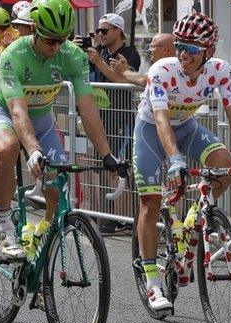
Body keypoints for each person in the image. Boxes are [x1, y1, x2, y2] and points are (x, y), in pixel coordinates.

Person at [133, 13, 231, 313]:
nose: (183, 54)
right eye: (179, 46)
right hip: (152, 129)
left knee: (223, 163)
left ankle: (192, 218)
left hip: (187, 126)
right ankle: (153, 284)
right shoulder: (162, 70)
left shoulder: (220, 70)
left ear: (209, 51)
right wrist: (175, 159)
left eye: (191, 49)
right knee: (150, 202)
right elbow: (162, 119)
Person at [0, 0, 119, 260]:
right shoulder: (13, 54)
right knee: (8, 148)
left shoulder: (72, 55)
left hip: (43, 121)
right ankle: (4, 227)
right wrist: (33, 150)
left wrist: (106, 154)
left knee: (57, 186)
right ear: (34, 31)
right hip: (5, 114)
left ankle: (42, 236)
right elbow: (17, 111)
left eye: (62, 40)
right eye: (49, 41)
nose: (56, 47)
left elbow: (88, 109)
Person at [82, 13, 141, 233]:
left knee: (122, 166)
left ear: (118, 31)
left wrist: (98, 61)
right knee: (103, 166)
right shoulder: (102, 52)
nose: (99, 35)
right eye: (97, 31)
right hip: (102, 116)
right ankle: (106, 216)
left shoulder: (130, 54)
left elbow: (124, 81)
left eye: (104, 31)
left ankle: (126, 217)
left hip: (122, 116)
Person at [89, 33, 175, 87]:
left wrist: (124, 71)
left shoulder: (169, 68)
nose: (149, 50)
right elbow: (123, 80)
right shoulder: (161, 67)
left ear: (165, 49)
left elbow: (144, 80)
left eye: (153, 47)